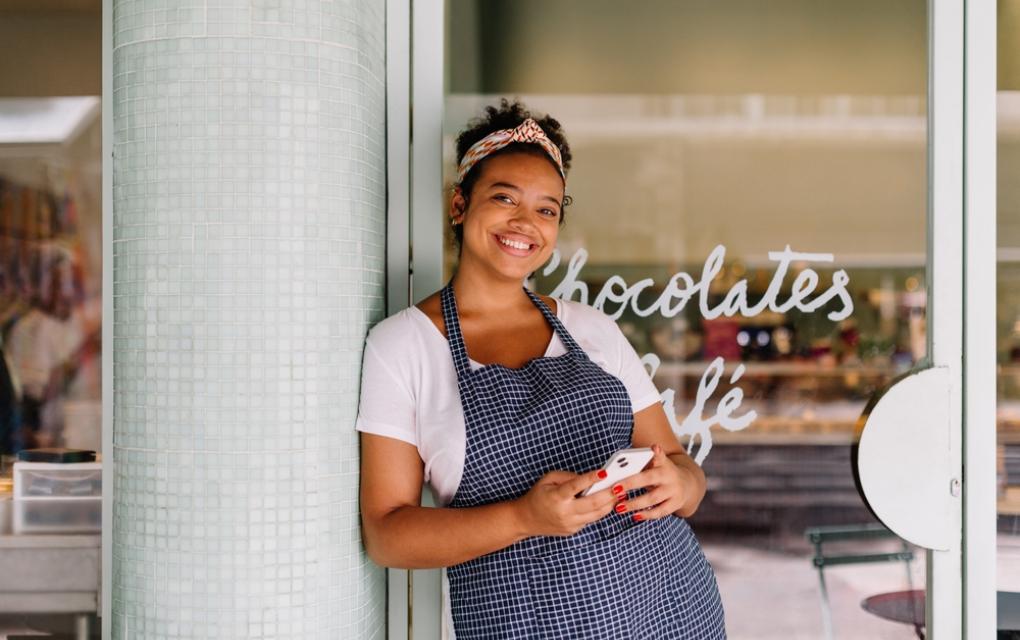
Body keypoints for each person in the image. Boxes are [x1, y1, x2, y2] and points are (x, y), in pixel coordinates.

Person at [356, 99, 726, 639]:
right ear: (459, 205)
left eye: (547, 209)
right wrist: (524, 518)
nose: (525, 223)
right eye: (504, 198)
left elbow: (679, 466)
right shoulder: (402, 346)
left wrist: (683, 485)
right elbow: (387, 535)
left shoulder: (593, 328)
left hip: (671, 607)